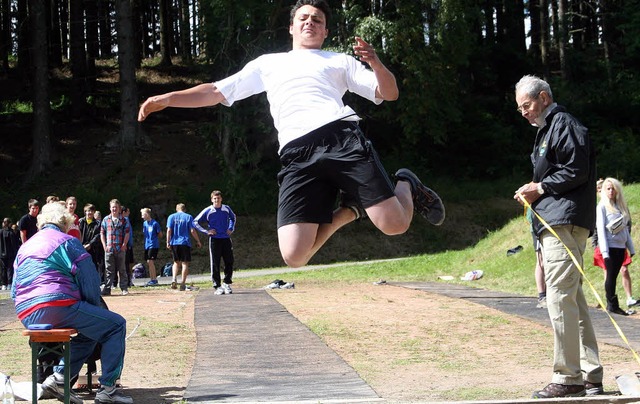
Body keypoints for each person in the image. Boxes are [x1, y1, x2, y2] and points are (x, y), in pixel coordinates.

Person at [138, 0, 445, 269]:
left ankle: (405, 181)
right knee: (294, 255)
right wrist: (167, 99)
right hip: (296, 155)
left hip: (341, 140)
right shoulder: (269, 63)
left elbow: (389, 93)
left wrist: (376, 63)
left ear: (325, 33)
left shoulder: (339, 61)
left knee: (396, 225)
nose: (310, 21)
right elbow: (217, 91)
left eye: (318, 20)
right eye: (304, 18)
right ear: (291, 28)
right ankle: (351, 210)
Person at [513, 74, 603, 398]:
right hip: (556, 222)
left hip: (564, 224)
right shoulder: (547, 131)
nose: (524, 112)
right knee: (573, 299)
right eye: (520, 108)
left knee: (560, 298)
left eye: (527, 105)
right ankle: (591, 374)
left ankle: (567, 377)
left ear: (544, 98)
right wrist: (534, 190)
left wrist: (539, 187)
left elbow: (576, 168)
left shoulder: (563, 123)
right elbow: (559, 172)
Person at [11, 201, 133, 404]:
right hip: (56, 304)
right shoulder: (68, 241)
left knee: (88, 334)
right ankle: (108, 389)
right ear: (66, 223)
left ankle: (59, 379)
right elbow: (90, 282)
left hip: (25, 311)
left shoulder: (25, 247)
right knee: (115, 325)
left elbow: (15, 289)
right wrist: (94, 307)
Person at [592, 179, 638, 309]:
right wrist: (604, 251)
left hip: (620, 247)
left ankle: (614, 304)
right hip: (609, 247)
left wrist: (631, 247)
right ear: (603, 191)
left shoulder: (619, 207)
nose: (611, 191)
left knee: (616, 274)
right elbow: (600, 229)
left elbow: (625, 230)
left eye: (613, 188)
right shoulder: (601, 207)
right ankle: (612, 304)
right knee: (610, 276)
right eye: (608, 188)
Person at [194, 190, 237, 295]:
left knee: (229, 261)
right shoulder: (208, 210)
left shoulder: (226, 209)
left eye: (218, 198)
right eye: (215, 198)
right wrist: (206, 231)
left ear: (221, 199)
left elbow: (233, 217)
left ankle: (226, 283)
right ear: (212, 199)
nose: (216, 200)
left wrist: (231, 228)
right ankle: (217, 286)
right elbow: (195, 222)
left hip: (226, 238)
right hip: (214, 240)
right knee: (215, 263)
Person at [166, 203, 201, 291]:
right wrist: (198, 241)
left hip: (174, 242)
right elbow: (192, 230)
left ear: (176, 209)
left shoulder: (171, 217)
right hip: (185, 242)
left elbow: (169, 230)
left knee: (176, 262)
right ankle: (183, 283)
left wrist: (168, 241)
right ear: (185, 209)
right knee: (185, 263)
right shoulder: (188, 217)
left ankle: (174, 279)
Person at [100, 199, 131, 296]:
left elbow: (127, 233)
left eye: (116, 207)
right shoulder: (106, 219)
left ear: (119, 208)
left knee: (122, 269)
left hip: (120, 248)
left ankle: (124, 288)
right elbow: (102, 233)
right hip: (109, 249)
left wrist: (124, 245)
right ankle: (107, 288)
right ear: (110, 208)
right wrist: (104, 246)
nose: (114, 209)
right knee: (109, 270)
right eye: (113, 207)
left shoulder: (124, 220)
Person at [79, 203, 105, 282]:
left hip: (94, 249)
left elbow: (97, 236)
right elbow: (78, 233)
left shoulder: (98, 224)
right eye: (88, 211)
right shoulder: (80, 222)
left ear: (94, 212)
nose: (89, 213)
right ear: (85, 212)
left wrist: (90, 244)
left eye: (91, 211)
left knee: (94, 268)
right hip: (81, 248)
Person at [141, 207, 163, 286]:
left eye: (143, 215)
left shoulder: (155, 223)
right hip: (147, 245)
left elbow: (160, 234)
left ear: (147, 214)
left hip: (153, 245)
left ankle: (154, 279)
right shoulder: (144, 224)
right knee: (148, 262)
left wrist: (154, 238)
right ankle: (152, 279)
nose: (142, 216)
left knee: (150, 261)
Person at [0, 217, 20, 290]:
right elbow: (14, 244)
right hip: (10, 254)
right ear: (9, 223)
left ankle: (3, 284)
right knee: (10, 269)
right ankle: (9, 283)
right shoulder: (11, 233)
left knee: (3, 269)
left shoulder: (1, 232)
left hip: (1, 254)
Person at [121, 206, 135, 287]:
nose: (129, 213)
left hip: (128, 245)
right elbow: (127, 233)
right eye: (128, 211)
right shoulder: (125, 220)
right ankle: (127, 281)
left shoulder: (126, 220)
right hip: (126, 245)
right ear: (124, 212)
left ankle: (128, 280)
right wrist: (127, 244)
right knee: (125, 264)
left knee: (128, 263)